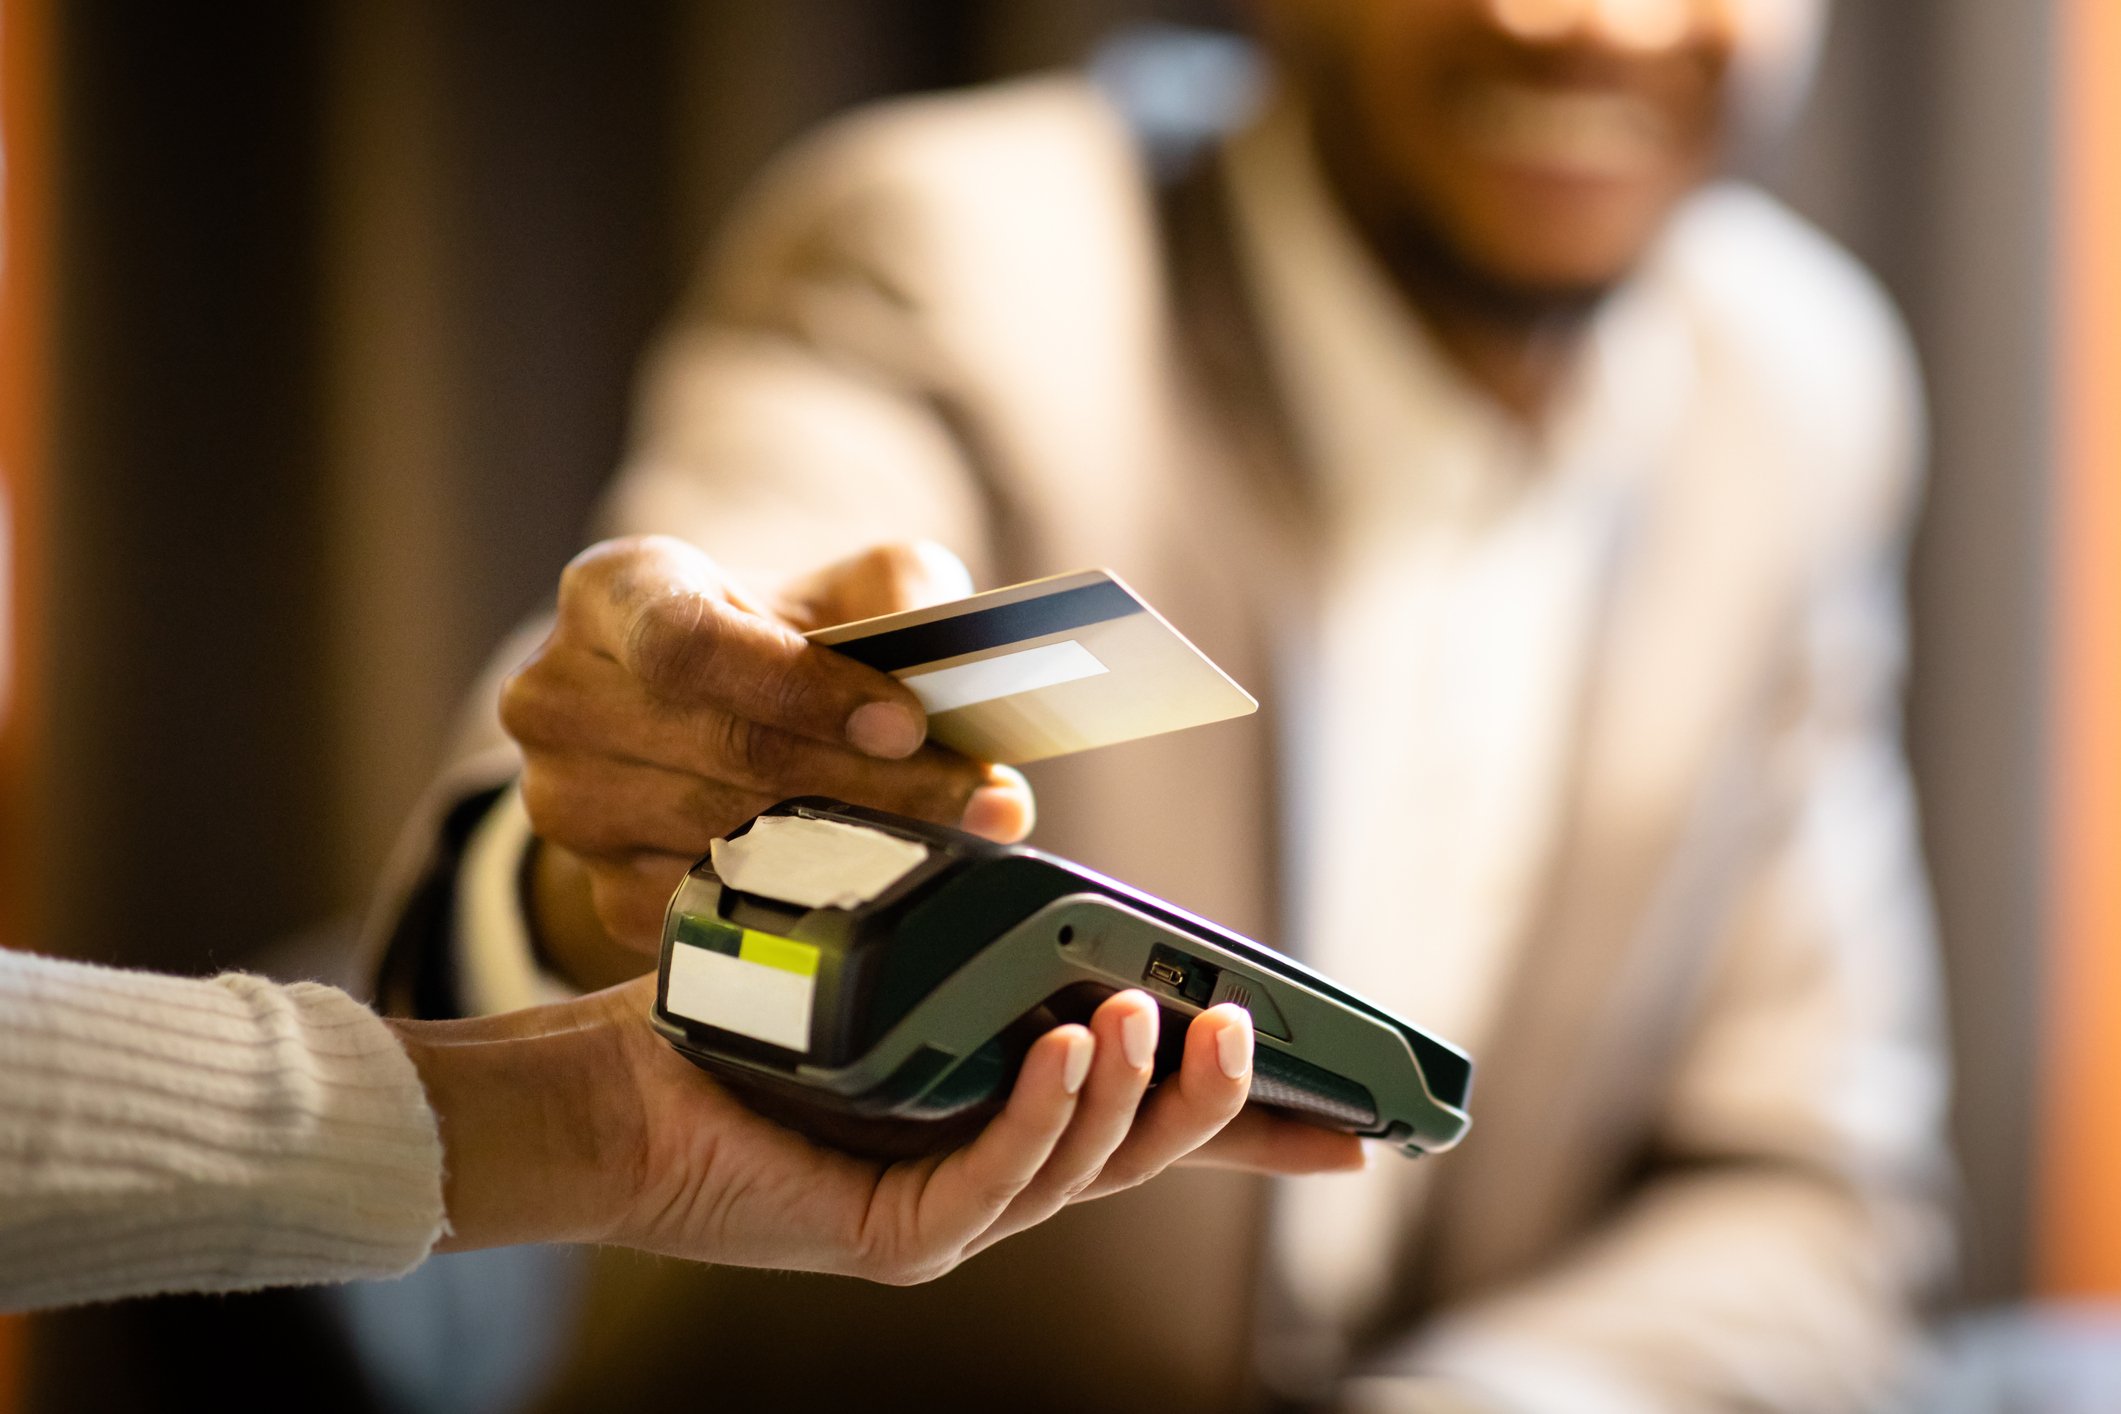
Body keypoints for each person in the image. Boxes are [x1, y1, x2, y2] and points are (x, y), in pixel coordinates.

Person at [375, 1, 1950, 1409]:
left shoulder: (1793, 389)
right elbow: (586, 818)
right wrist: (614, 849)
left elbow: (1815, 1192)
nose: (1584, 22)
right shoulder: (959, 249)